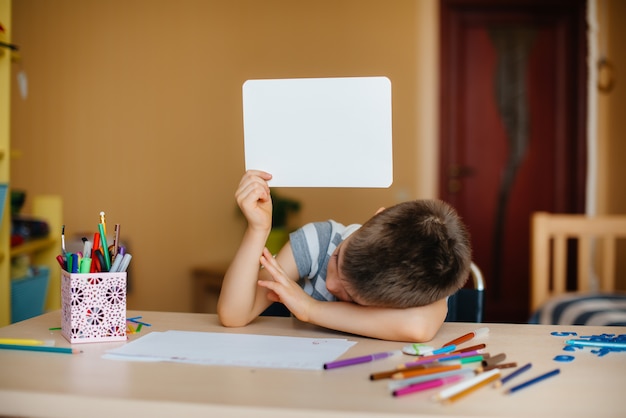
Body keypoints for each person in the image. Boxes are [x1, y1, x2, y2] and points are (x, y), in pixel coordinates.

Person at [217, 170, 472, 341]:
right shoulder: (318, 242)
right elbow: (234, 315)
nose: (330, 284)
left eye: (351, 296)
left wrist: (310, 309)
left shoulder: (421, 274)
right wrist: (258, 229)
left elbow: (418, 327)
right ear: (376, 216)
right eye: (338, 258)